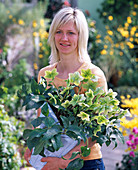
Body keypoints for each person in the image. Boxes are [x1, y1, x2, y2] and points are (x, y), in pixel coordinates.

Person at [24, 7, 107, 170]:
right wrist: (32, 146)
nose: (64, 38)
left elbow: (97, 130)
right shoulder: (44, 74)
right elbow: (42, 119)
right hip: (51, 159)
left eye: (71, 33)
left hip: (85, 163)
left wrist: (64, 160)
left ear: (80, 36)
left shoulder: (93, 76)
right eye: (59, 32)